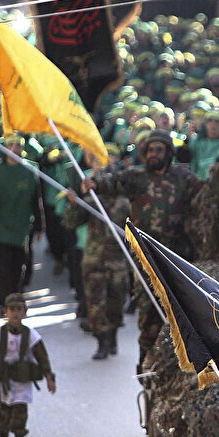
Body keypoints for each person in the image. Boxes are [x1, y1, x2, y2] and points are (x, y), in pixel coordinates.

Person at [83, 130, 203, 374]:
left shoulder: (184, 178)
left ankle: (180, 363)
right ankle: (146, 361)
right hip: (146, 258)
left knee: (180, 311)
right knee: (147, 309)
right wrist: (93, 183)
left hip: (177, 257)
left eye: (158, 150)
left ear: (169, 153)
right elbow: (112, 182)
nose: (153, 155)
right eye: (149, 151)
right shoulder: (136, 178)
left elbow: (205, 197)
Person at [64, 152, 130, 360]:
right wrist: (74, 204)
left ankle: (113, 335)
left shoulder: (125, 202)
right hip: (94, 259)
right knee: (95, 302)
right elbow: (71, 222)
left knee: (116, 301)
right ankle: (101, 341)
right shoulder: (91, 201)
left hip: (117, 260)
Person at [0, 293, 56, 437]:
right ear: (5, 311)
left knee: (20, 416)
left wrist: (49, 377)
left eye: (19, 309)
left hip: (22, 382)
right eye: (12, 309)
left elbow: (43, 357)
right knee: (3, 414)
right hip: (3, 382)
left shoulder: (31, 335)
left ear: (25, 312)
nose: (15, 313)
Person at [0, 134, 44, 311]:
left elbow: (36, 200)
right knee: (2, 269)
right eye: (11, 145)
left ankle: (17, 301)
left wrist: (39, 226)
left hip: (22, 228)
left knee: (19, 268)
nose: (15, 149)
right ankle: (3, 303)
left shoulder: (31, 171)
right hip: (0, 227)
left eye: (18, 145)